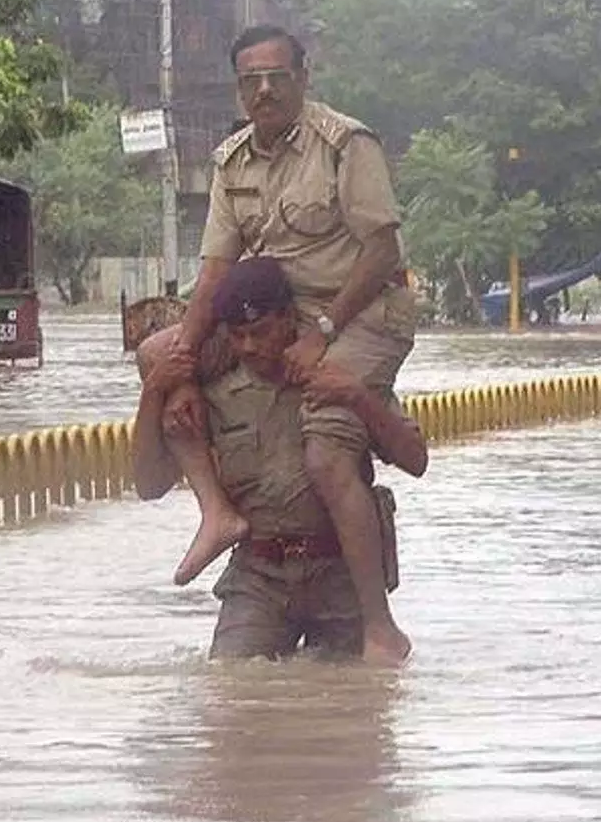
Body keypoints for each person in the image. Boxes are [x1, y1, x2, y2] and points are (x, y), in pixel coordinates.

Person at [140, 23, 417, 660]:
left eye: (276, 76)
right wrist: (182, 364)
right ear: (239, 88)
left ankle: (379, 626)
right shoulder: (231, 161)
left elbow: (382, 251)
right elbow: (214, 269)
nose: (264, 90)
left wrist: (322, 332)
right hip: (274, 311)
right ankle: (216, 513)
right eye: (250, 80)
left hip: (361, 310)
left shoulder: (345, 144)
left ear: (302, 76)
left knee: (324, 453)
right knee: (157, 356)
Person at [133, 258, 427, 664]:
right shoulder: (212, 394)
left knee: (362, 700)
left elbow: (415, 460)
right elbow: (149, 485)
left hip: (340, 572)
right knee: (231, 687)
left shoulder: (339, 376)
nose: (249, 346)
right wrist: (154, 393)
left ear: (289, 319)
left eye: (261, 332)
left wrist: (358, 397)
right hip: (259, 575)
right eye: (237, 335)